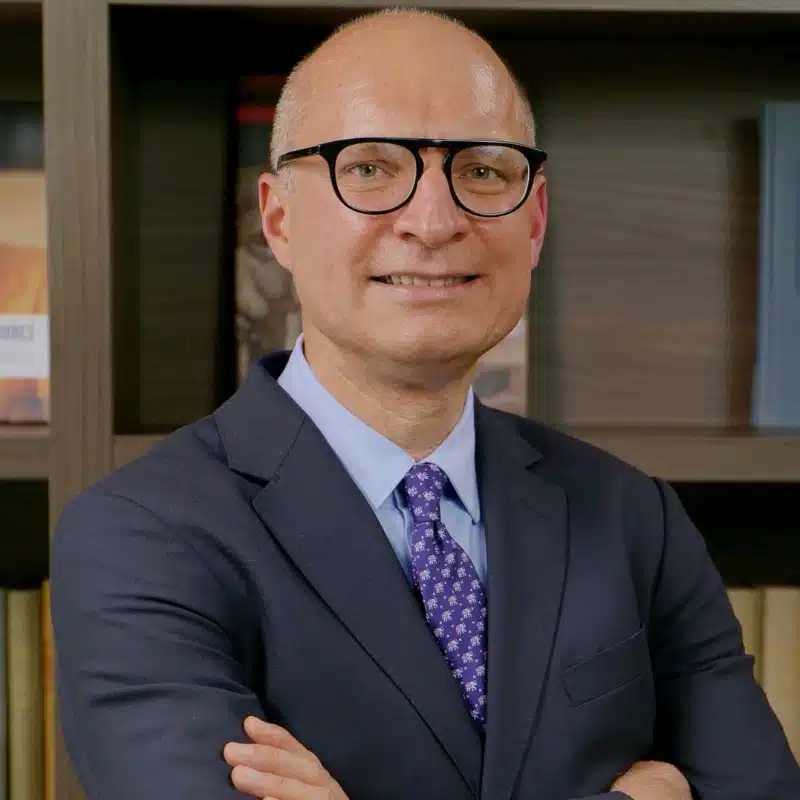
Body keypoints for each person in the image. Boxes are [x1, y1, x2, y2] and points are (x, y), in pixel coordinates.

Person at [49, 8, 800, 800]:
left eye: (482, 171)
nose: (435, 222)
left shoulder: (630, 517)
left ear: (534, 219)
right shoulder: (141, 536)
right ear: (278, 220)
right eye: (369, 168)